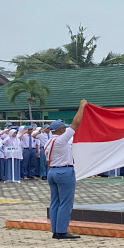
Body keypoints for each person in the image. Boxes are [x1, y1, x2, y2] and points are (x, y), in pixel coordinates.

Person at [43, 99, 86, 240]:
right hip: (64, 172)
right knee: (65, 203)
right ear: (61, 130)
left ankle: (55, 230)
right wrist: (82, 106)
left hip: (52, 172)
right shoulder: (61, 140)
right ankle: (61, 231)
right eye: (64, 128)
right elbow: (76, 123)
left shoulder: (48, 141)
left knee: (55, 202)